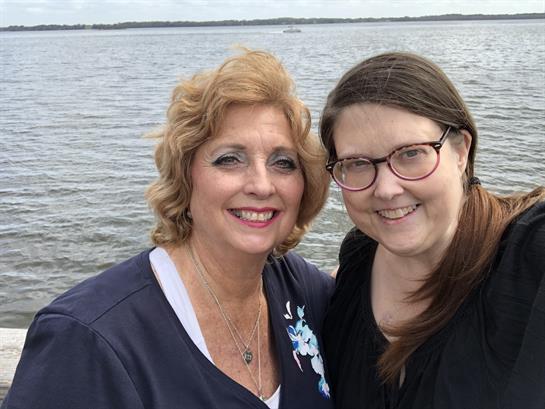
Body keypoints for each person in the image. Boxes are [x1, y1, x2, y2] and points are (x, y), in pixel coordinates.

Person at [2, 49, 333, 409]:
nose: (261, 184)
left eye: (283, 163)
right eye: (229, 159)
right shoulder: (88, 338)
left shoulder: (298, 288)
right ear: (185, 176)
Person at [319, 51, 545, 409]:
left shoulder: (527, 256)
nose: (387, 188)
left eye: (411, 153)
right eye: (358, 163)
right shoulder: (357, 260)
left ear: (461, 151)